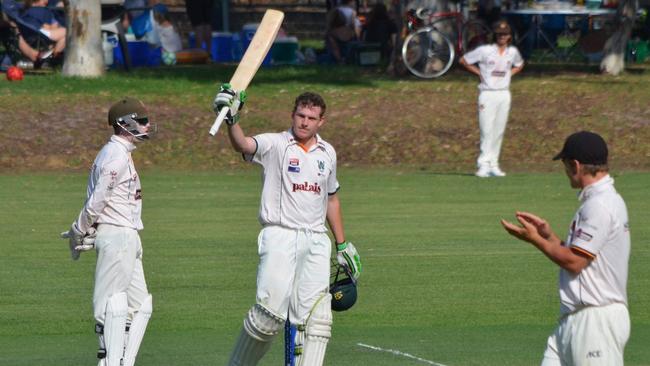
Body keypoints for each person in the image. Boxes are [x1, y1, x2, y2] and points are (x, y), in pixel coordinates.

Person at [213, 87, 362, 366]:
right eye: (300, 115)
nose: (305, 122)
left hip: (317, 239)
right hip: (280, 234)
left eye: (311, 118)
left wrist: (342, 244)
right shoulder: (276, 144)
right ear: (292, 115)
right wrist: (231, 120)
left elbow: (331, 199)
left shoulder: (327, 152)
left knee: (316, 320)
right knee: (267, 316)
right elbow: (243, 145)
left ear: (321, 122)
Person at [501, 131, 631, 366]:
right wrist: (549, 237)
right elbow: (582, 256)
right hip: (574, 320)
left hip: (595, 320)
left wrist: (536, 241)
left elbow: (574, 262)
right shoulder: (598, 202)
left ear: (575, 165)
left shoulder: (600, 205)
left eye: (565, 164)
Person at [60, 98, 157, 366]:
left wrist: (89, 226)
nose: (148, 125)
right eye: (143, 120)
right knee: (110, 308)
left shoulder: (118, 153)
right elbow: (98, 198)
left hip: (127, 236)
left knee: (138, 307)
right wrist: (80, 227)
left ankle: (123, 360)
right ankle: (111, 362)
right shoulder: (115, 156)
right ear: (125, 124)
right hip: (118, 237)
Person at [459, 20, 523, 178]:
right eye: (500, 34)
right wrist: (479, 73)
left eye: (505, 34)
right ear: (495, 35)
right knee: (486, 130)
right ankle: (483, 164)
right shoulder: (485, 50)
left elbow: (519, 64)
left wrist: (509, 74)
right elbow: (464, 60)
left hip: (504, 93)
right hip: (487, 94)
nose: (502, 37)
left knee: (498, 130)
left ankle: (494, 163)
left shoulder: (512, 52)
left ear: (509, 36)